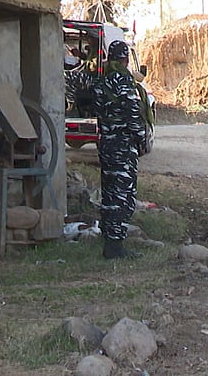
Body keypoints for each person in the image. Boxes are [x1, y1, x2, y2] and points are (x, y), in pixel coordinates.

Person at [93, 40, 146, 260]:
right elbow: (132, 112)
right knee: (123, 195)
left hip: (106, 144)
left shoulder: (101, 80)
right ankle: (115, 246)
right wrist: (141, 138)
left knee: (109, 192)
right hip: (123, 145)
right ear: (125, 59)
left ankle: (109, 240)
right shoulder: (123, 79)